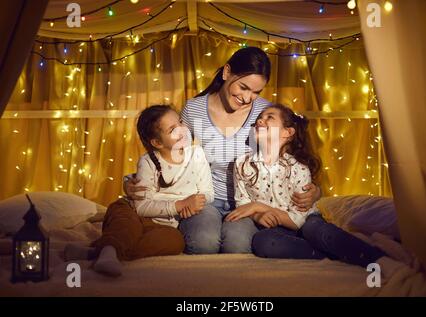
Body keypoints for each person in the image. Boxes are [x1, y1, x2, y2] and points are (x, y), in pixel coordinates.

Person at [124, 47, 322, 254]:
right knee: (203, 243)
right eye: (244, 87)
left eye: (256, 92)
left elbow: (290, 155)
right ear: (227, 72)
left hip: (249, 203)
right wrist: (134, 180)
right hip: (204, 198)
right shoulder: (194, 109)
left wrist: (316, 190)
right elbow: (170, 151)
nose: (247, 98)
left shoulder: (263, 113)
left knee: (237, 245)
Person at [226, 104, 400, 273]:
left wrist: (260, 207)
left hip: (306, 221)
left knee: (314, 230)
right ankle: (333, 257)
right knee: (263, 241)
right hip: (276, 229)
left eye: (269, 118)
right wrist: (258, 215)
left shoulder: (298, 168)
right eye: (259, 118)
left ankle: (377, 259)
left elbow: (299, 220)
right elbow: (244, 204)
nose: (259, 121)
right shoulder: (242, 164)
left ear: (288, 133)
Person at [65, 105, 214, 276]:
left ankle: (99, 252)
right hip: (132, 212)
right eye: (173, 129)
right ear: (157, 142)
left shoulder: (197, 155)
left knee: (174, 242)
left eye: (180, 122)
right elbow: (141, 207)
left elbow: (208, 192)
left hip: (165, 224)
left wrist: (196, 203)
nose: (182, 130)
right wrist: (179, 205)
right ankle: (108, 251)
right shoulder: (148, 161)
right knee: (125, 227)